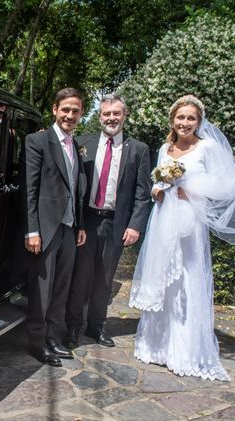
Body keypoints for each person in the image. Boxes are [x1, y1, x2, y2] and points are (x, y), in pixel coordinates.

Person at [129, 94, 235, 381]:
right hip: (163, 221)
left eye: (191, 118)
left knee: (187, 281)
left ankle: (185, 351)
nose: (185, 122)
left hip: (190, 226)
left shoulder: (208, 147)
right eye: (181, 117)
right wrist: (157, 188)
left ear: (199, 122)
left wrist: (190, 191)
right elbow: (159, 180)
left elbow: (227, 186)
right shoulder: (165, 148)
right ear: (172, 120)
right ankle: (157, 346)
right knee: (163, 280)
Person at [65, 94, 152, 349]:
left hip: (115, 223)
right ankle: (72, 327)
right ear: (99, 116)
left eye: (116, 113)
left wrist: (135, 225)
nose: (111, 118)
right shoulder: (83, 144)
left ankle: (96, 326)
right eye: (106, 114)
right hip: (86, 221)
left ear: (125, 115)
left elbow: (142, 192)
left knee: (104, 278)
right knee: (80, 277)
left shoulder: (139, 149)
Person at [23, 88, 87, 366]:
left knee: (61, 287)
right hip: (46, 229)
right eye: (66, 109)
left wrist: (79, 224)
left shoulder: (76, 145)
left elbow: (76, 188)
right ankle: (37, 343)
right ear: (54, 109)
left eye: (75, 111)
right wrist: (32, 230)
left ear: (81, 114)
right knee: (42, 289)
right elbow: (29, 188)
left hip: (70, 228)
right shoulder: (37, 141)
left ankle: (53, 338)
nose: (70, 115)